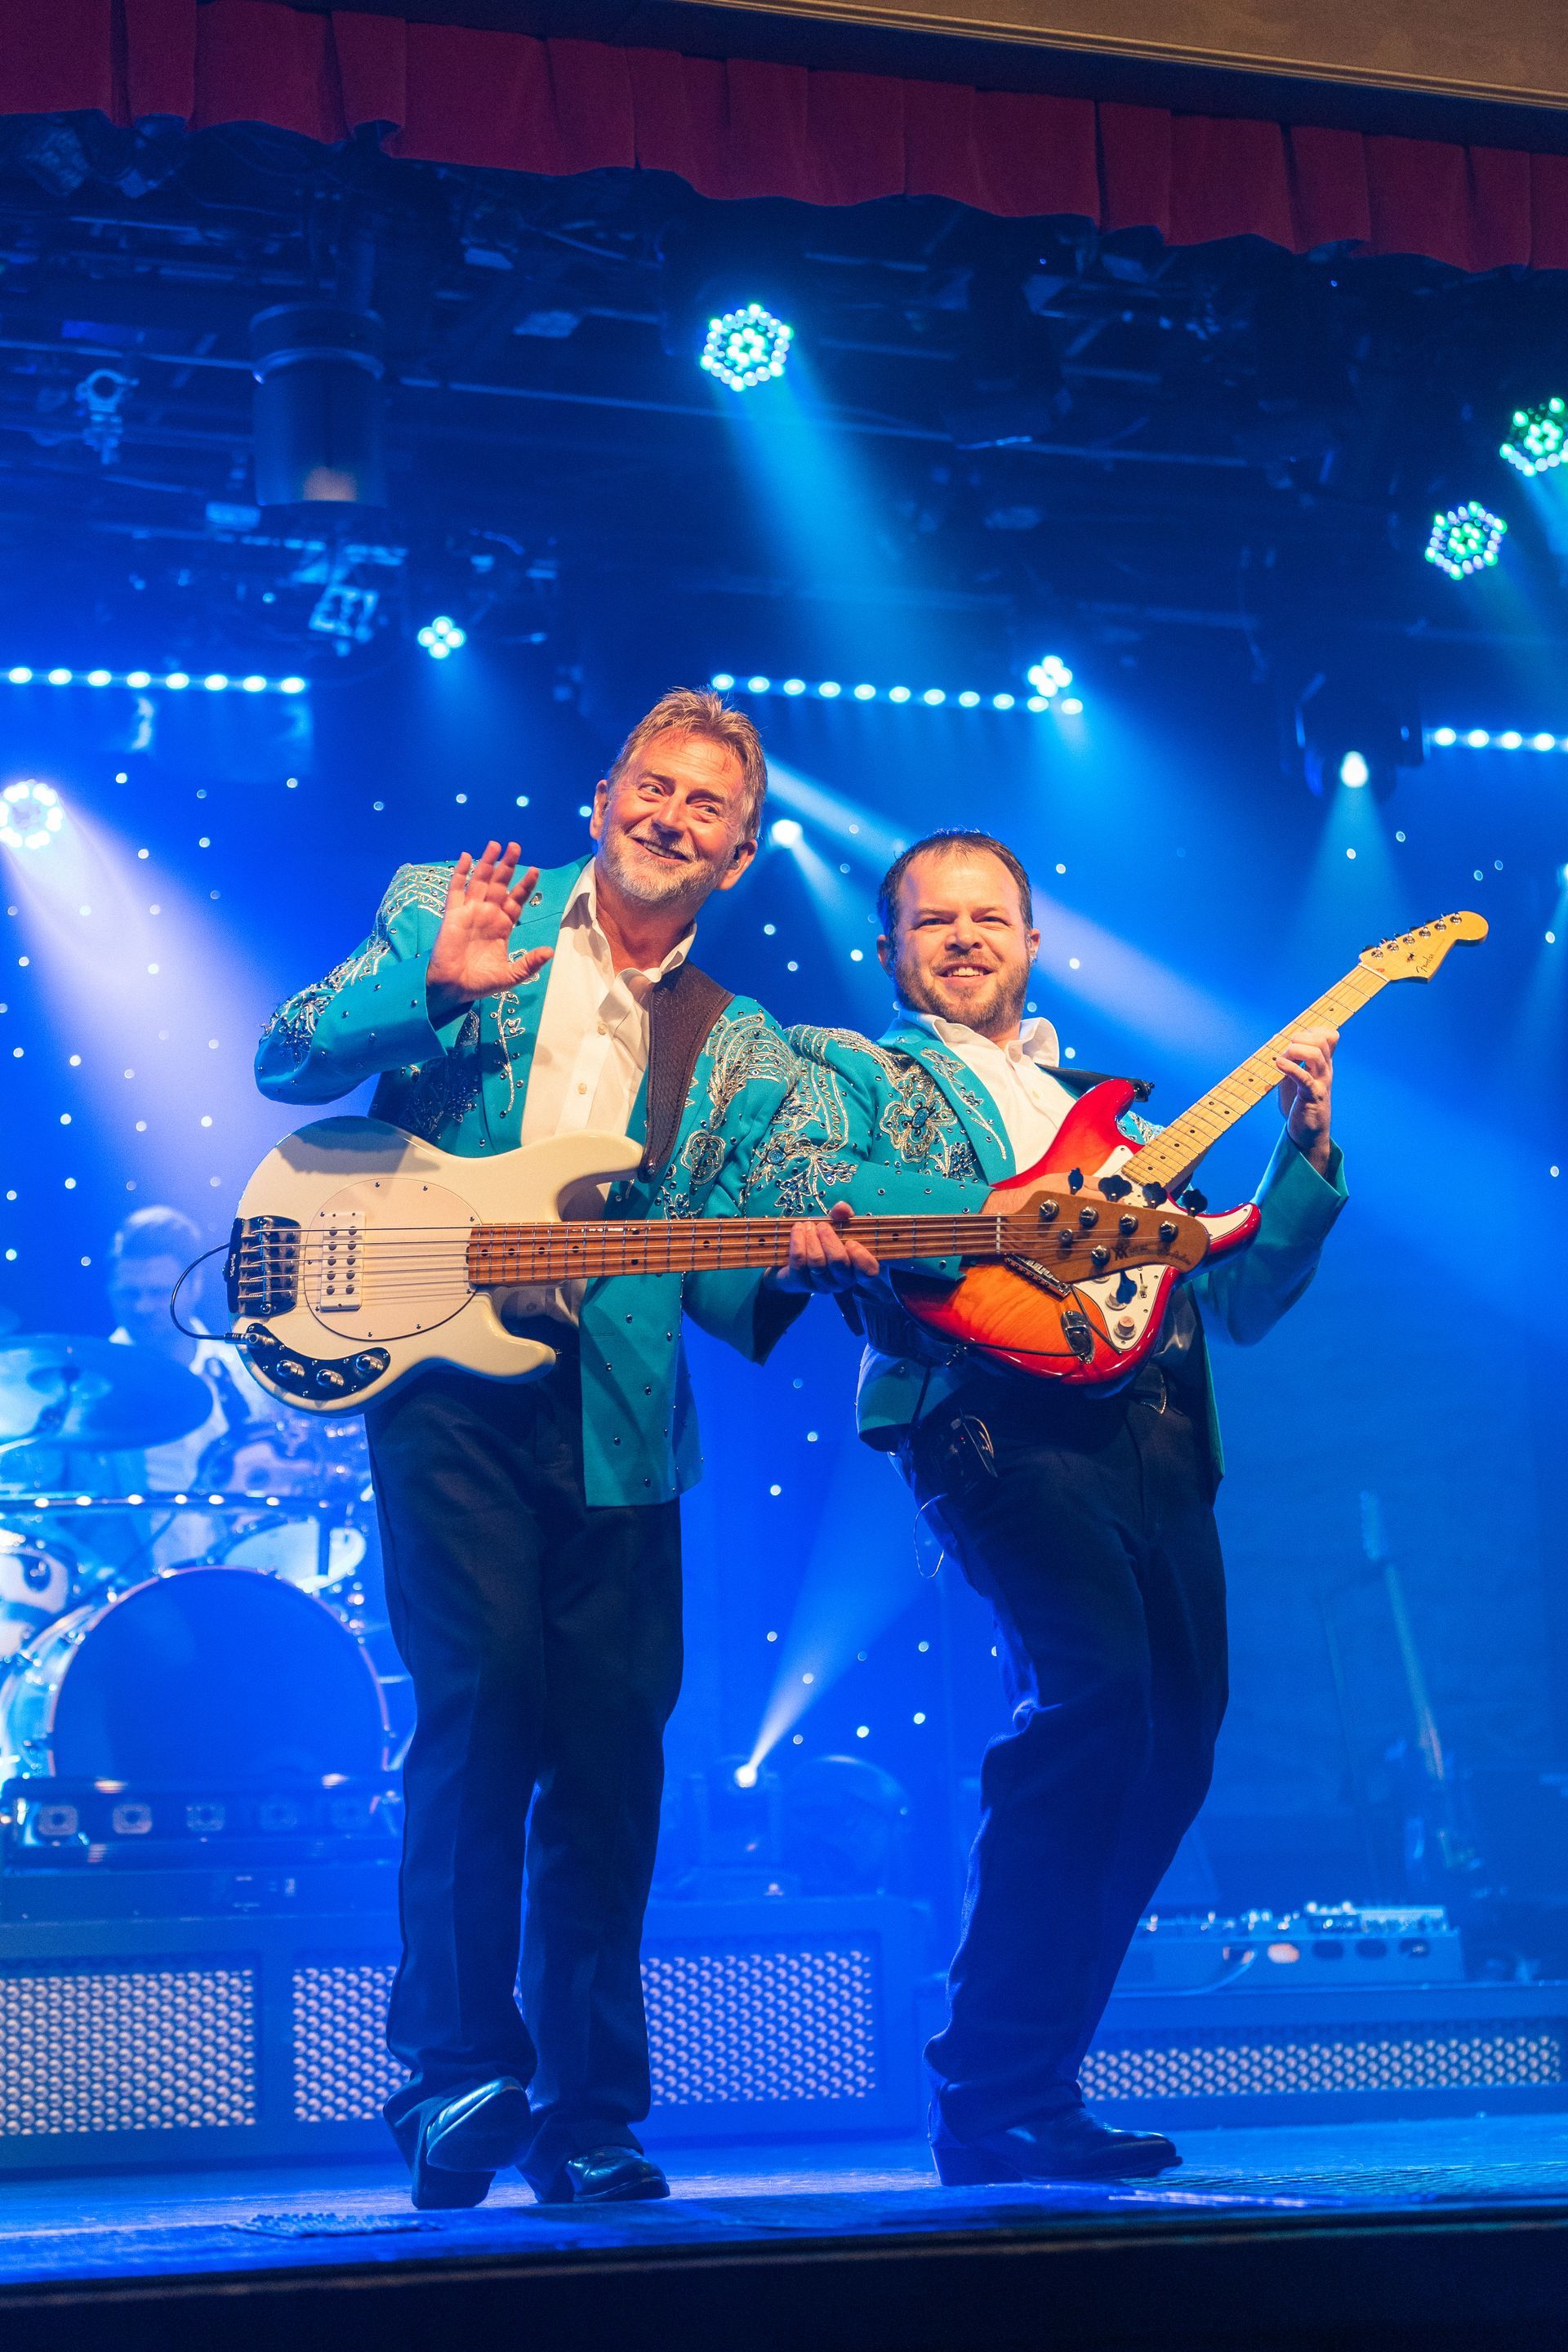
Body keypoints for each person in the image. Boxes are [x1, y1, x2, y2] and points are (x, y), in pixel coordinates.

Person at [254, 688, 854, 2212]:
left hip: (618, 1416)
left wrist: (807, 1256)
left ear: (741, 855)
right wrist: (431, 988)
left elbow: (721, 1276)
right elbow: (289, 1056)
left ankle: (587, 2114)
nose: (672, 815)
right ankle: (453, 2079)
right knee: (480, 1713)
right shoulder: (454, 907)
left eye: (708, 806)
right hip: (443, 1384)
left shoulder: (742, 1044)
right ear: (602, 799)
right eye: (654, 785)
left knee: (607, 1759)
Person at [773, 829, 1346, 2185]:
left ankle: (1030, 2082)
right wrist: (1019, 1217)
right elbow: (821, 1187)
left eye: (990, 917)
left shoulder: (1123, 1126)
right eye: (935, 921)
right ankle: (992, 2088)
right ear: (890, 949)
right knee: (1094, 1703)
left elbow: (1241, 1299)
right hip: (992, 1420)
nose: (965, 937)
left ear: (1034, 943)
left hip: (1160, 1435)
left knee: (1172, 1746)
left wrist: (1303, 1151)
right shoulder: (862, 1077)